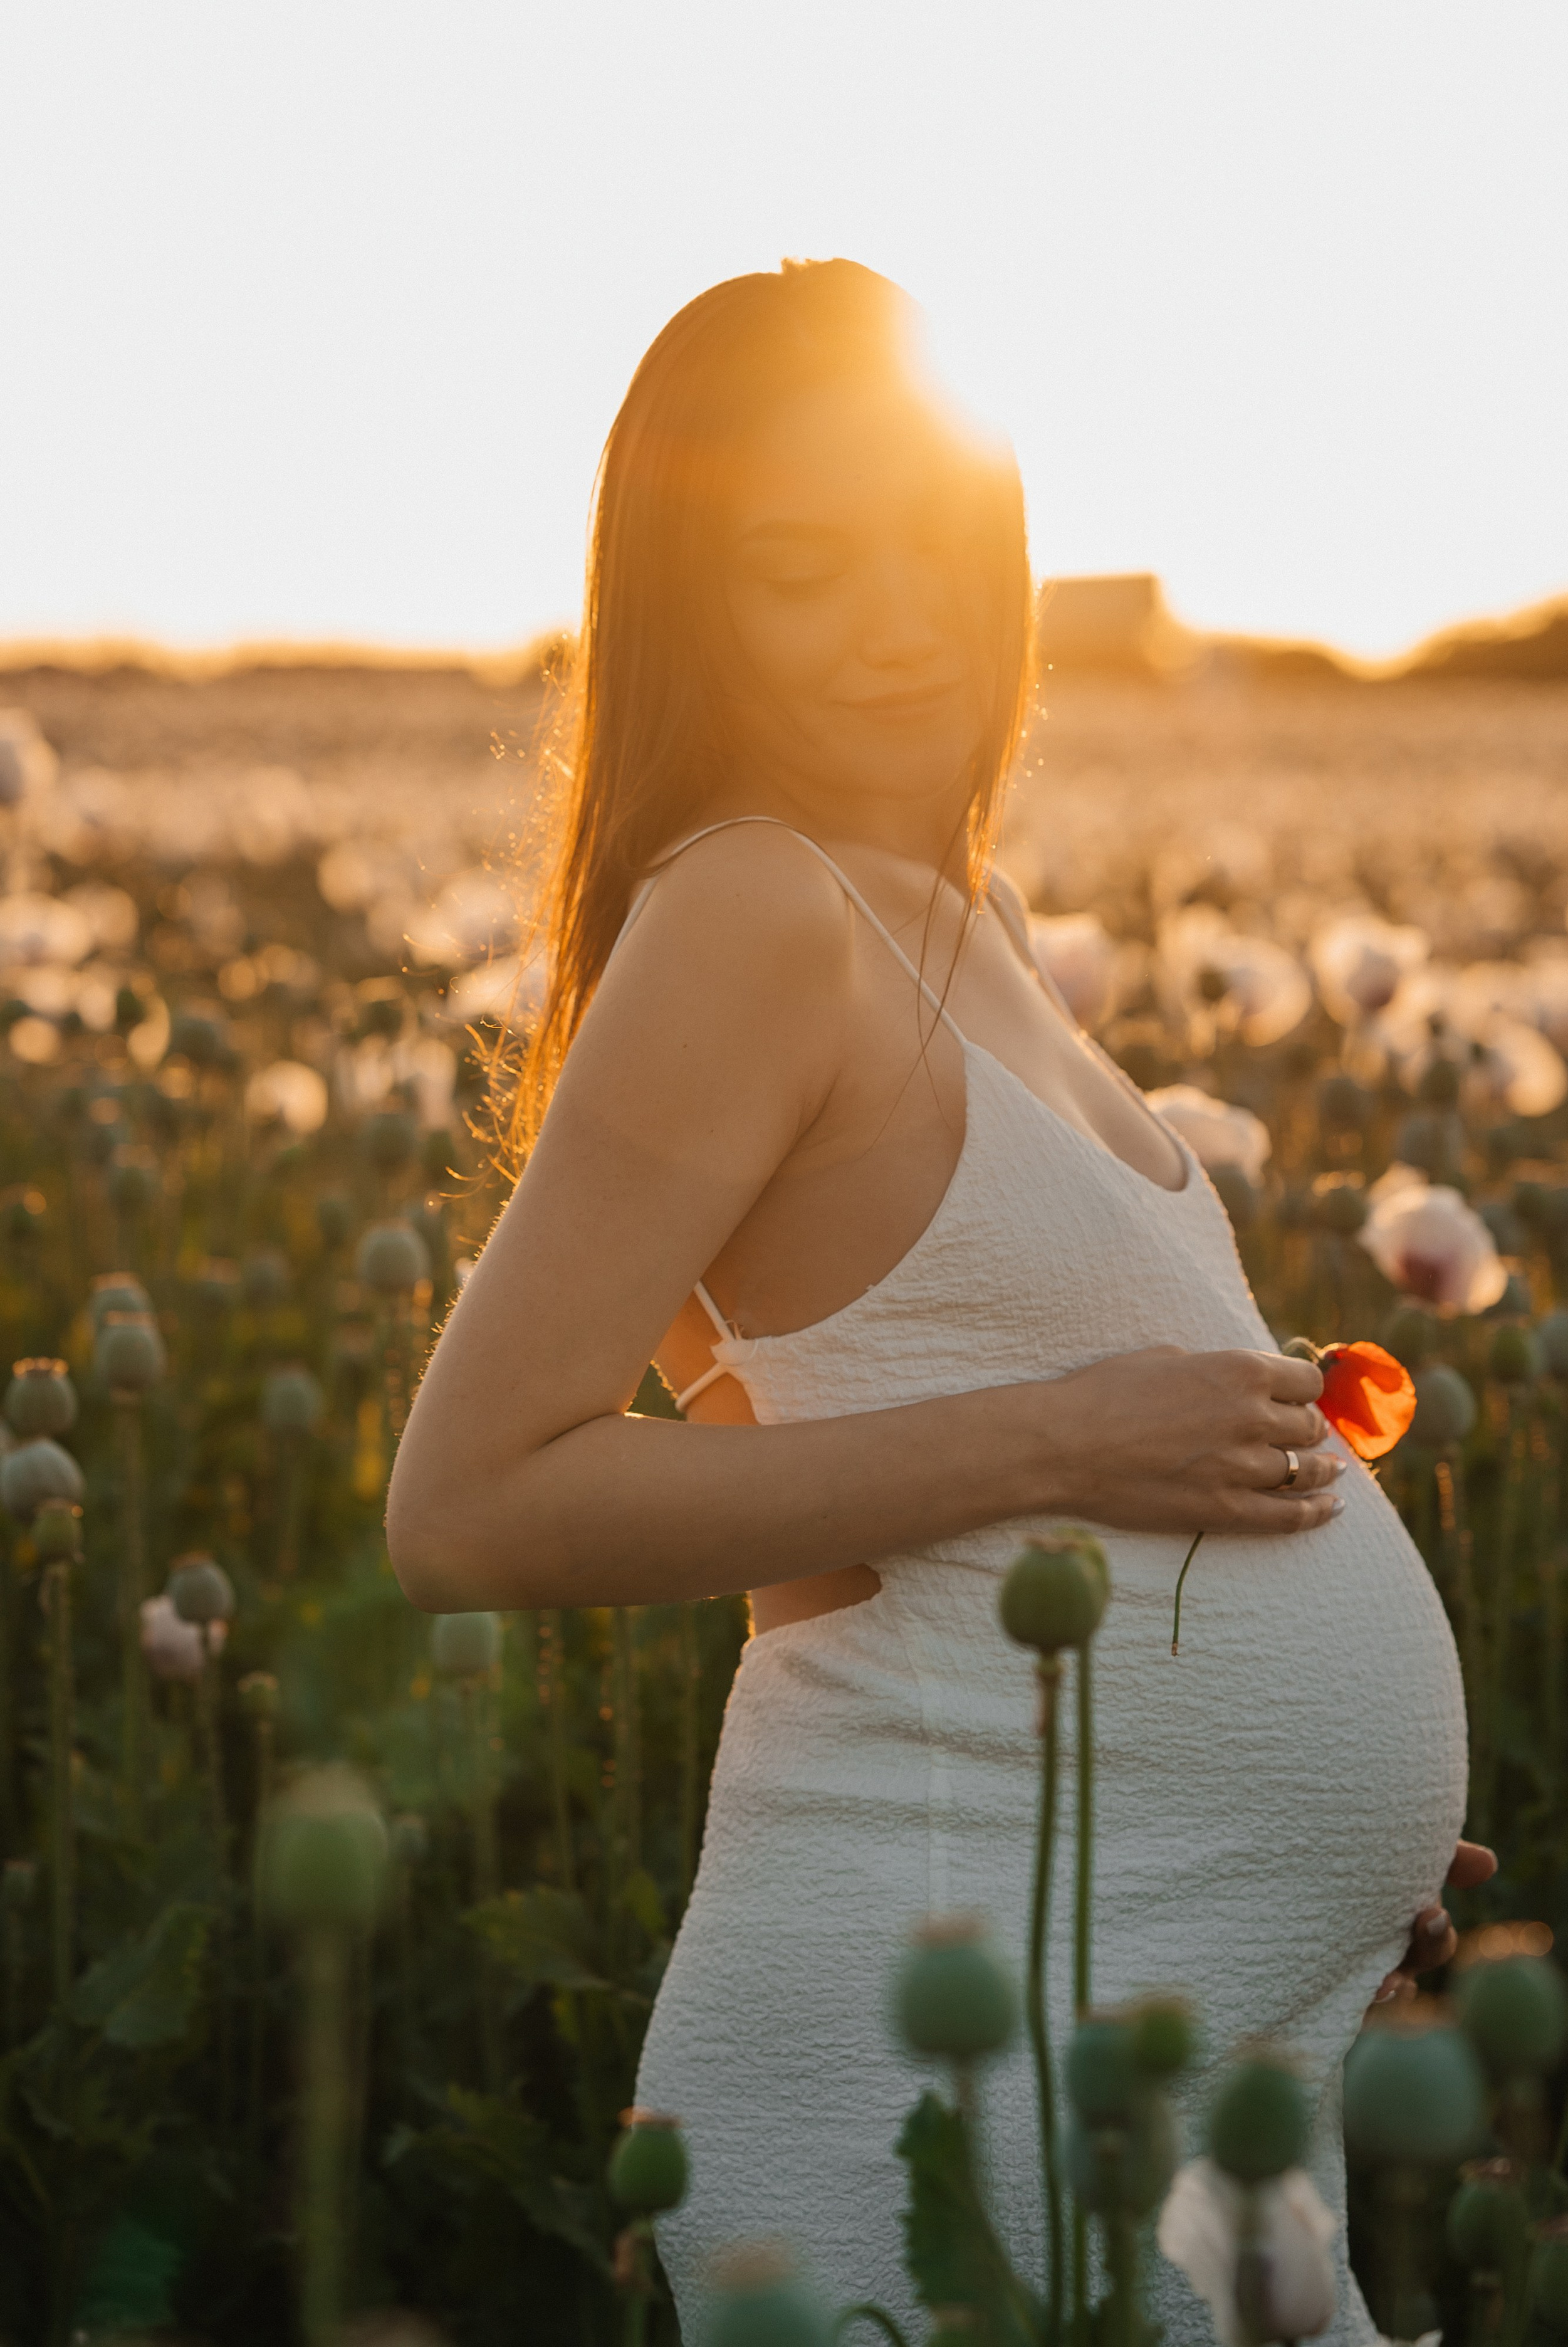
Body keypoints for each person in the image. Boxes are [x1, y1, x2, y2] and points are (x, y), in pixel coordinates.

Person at [387, 258, 1484, 2341]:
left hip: (1149, 2013)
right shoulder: (752, 913)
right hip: (931, 2079)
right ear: (697, 603)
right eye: (803, 570)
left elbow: (818, 1532)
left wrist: (1313, 1852)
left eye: (935, 549)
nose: (896, 622)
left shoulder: (957, 914)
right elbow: (468, 1502)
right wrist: (1072, 1440)